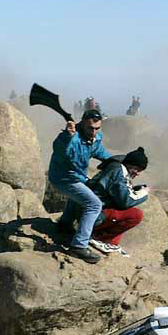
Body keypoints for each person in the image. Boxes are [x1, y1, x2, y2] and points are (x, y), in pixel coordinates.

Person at [48, 109, 113, 263]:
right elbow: (61, 151)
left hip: (77, 177)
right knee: (94, 204)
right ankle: (79, 246)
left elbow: (98, 151)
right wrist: (67, 136)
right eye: (91, 128)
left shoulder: (95, 137)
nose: (94, 132)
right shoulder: (70, 138)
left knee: (83, 194)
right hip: (63, 178)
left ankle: (64, 224)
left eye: (97, 128)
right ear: (83, 123)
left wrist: (115, 161)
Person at [84, 147, 151, 255]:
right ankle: (99, 238)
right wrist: (144, 193)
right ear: (130, 164)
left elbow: (118, 192)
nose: (138, 173)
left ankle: (111, 243)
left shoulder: (116, 167)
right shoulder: (118, 173)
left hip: (92, 210)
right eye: (137, 169)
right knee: (136, 215)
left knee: (124, 210)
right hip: (95, 214)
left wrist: (134, 189)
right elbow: (125, 201)